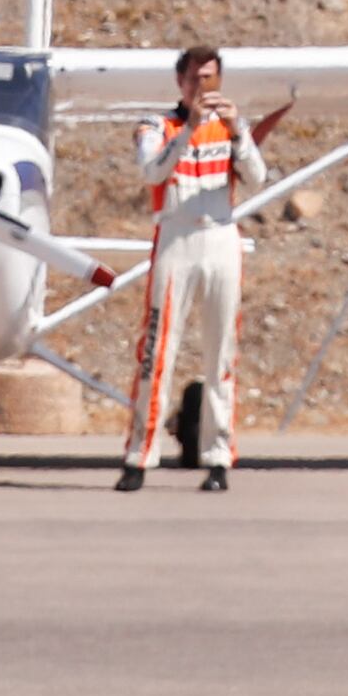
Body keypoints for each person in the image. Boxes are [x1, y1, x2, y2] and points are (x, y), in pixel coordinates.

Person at [119, 45, 269, 491]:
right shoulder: (156, 125)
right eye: (194, 80)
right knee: (157, 349)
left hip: (221, 234)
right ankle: (139, 456)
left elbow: (257, 176)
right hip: (176, 234)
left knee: (221, 349)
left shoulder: (228, 127)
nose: (203, 88)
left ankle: (219, 455)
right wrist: (188, 130)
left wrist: (238, 128)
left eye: (210, 79)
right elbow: (152, 172)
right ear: (180, 83)